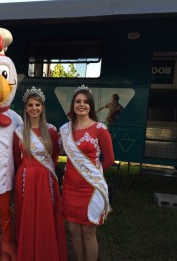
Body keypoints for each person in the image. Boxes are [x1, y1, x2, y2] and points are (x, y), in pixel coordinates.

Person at [59, 85, 115, 261]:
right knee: (74, 232)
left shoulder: (100, 129)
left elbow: (109, 159)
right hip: (69, 187)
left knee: (89, 232)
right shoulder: (66, 129)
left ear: (90, 105)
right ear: (73, 105)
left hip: (90, 189)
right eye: (78, 101)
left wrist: (94, 176)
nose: (81, 104)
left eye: (85, 102)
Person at [13, 86, 68, 261]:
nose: (34, 108)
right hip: (25, 178)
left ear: (42, 107)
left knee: (47, 216)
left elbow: (54, 156)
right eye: (30, 105)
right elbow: (16, 156)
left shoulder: (51, 130)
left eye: (37, 104)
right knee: (26, 216)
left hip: (46, 178)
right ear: (26, 108)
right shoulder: (19, 132)